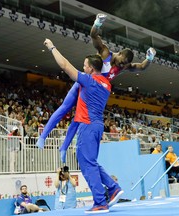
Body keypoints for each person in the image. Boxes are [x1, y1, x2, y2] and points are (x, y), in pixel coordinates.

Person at [36, 13, 156, 162]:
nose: (120, 65)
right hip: (85, 83)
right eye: (120, 62)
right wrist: (97, 23)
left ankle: (64, 147)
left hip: (92, 92)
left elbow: (141, 67)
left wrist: (149, 59)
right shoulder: (106, 53)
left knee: (77, 120)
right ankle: (42, 136)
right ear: (118, 54)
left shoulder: (123, 66)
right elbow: (94, 36)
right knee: (64, 108)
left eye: (123, 65)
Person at [43, 38, 123, 213]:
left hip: (87, 125)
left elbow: (64, 65)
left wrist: (52, 47)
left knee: (87, 165)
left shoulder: (89, 80)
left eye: (85, 66)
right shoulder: (106, 83)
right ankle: (113, 187)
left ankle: (100, 202)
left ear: (91, 69)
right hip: (97, 126)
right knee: (91, 162)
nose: (83, 68)